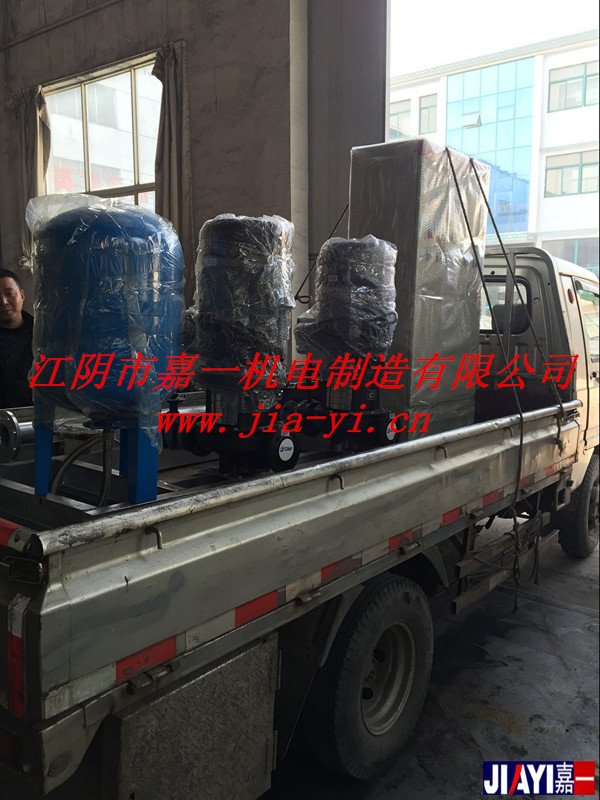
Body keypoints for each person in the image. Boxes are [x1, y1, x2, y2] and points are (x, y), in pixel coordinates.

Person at [0, 268, 34, 408]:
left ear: (22, 295)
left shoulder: (42, 334)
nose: (4, 302)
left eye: (9, 294)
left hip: (38, 413)